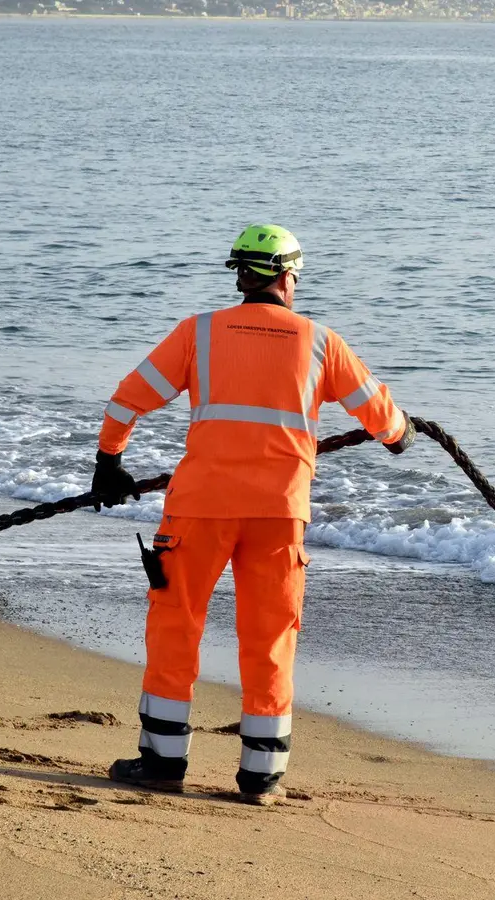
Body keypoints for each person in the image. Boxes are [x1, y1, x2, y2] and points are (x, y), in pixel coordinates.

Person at [90, 224, 413, 805]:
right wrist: (402, 434)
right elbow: (386, 424)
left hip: (198, 511)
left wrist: (109, 462)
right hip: (278, 517)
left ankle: (163, 763)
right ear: (290, 277)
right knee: (269, 639)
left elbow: (127, 398)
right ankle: (261, 778)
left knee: (175, 625)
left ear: (240, 274)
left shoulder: (200, 333)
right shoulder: (321, 342)